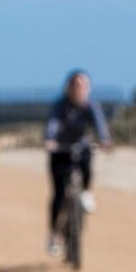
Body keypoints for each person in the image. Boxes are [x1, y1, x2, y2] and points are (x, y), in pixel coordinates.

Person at [44, 70, 112, 256]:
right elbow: (52, 124)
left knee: (88, 163)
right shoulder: (60, 106)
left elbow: (99, 125)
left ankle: (87, 193)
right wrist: (50, 140)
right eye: (75, 84)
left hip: (81, 148)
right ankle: (53, 234)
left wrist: (105, 139)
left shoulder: (90, 106)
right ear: (68, 86)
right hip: (60, 151)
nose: (78, 88)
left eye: (82, 85)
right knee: (58, 194)